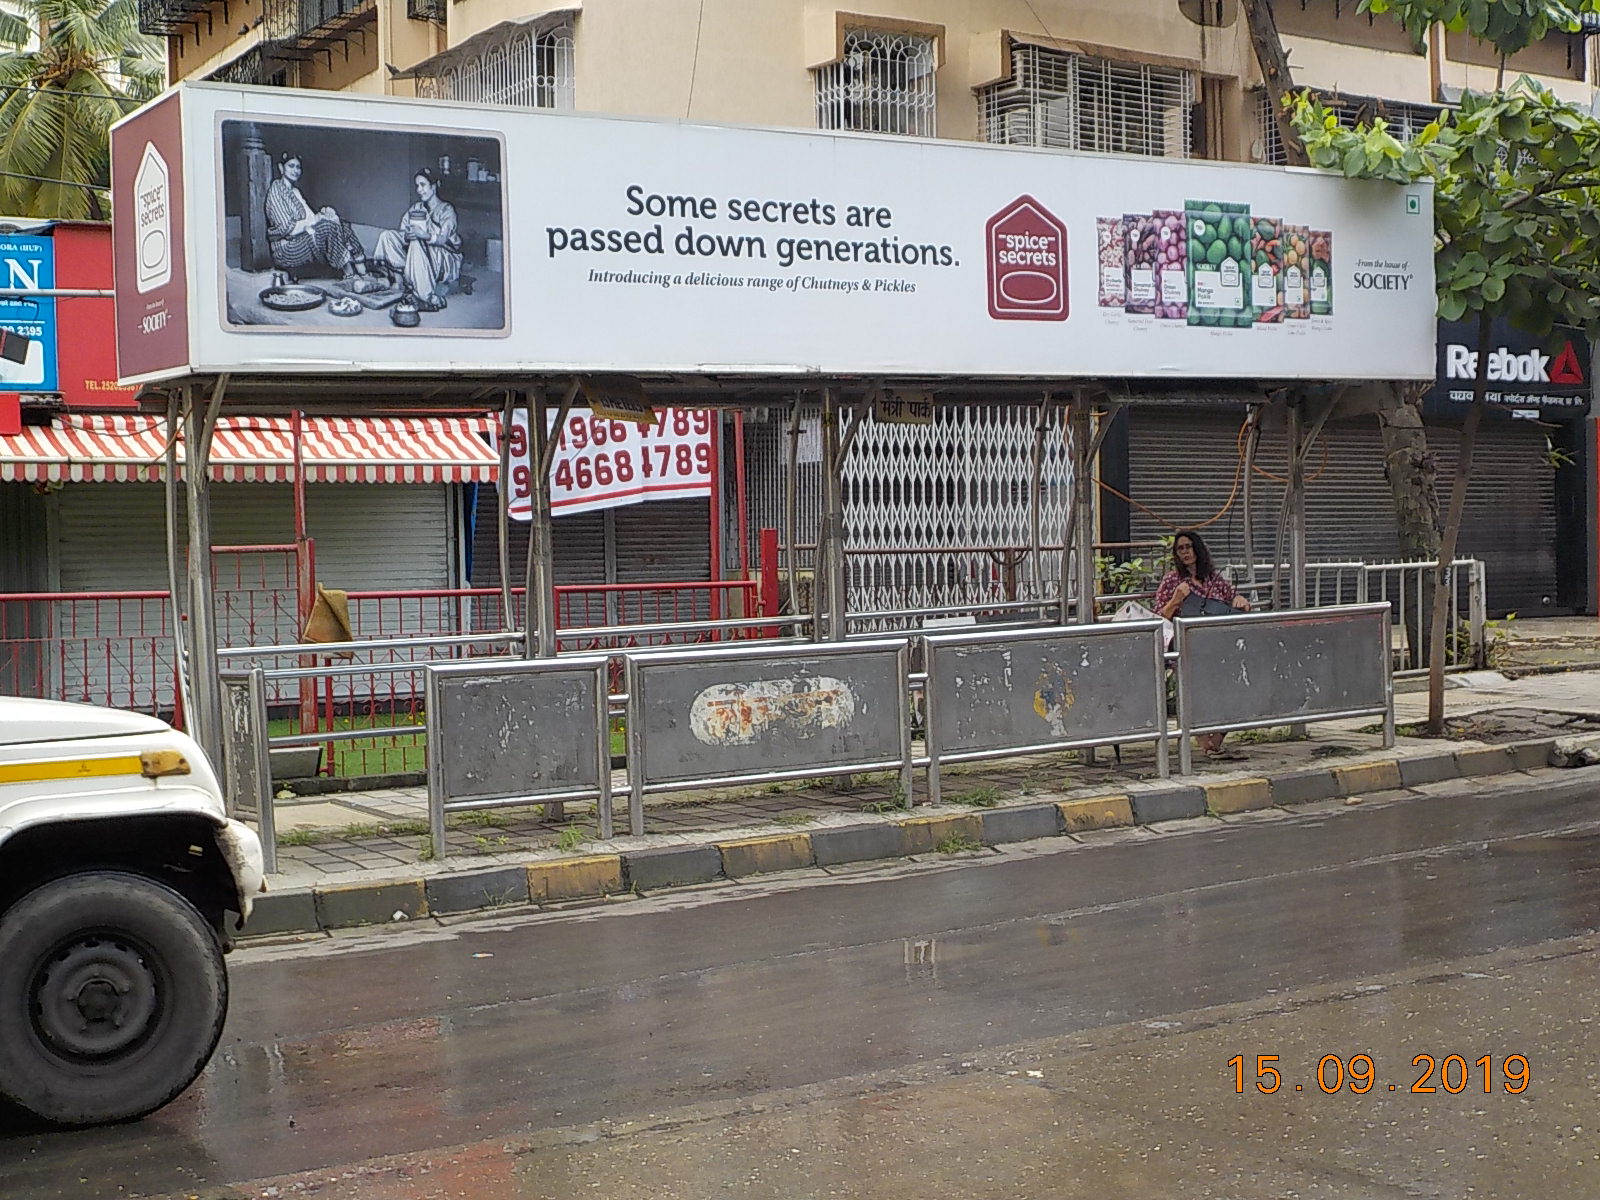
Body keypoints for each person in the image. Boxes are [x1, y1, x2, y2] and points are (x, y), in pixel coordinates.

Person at [1154, 529, 1251, 760]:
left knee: (1232, 690)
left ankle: (1216, 741)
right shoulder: (1172, 581)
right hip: (1189, 648)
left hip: (1218, 647)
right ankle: (1204, 742)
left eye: (1188, 547)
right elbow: (1159, 617)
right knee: (1194, 695)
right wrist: (1176, 600)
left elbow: (1233, 601)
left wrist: (1240, 601)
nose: (1185, 552)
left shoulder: (1214, 580)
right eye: (1180, 549)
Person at [264, 153, 371, 283]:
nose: (295, 170)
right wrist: (319, 219)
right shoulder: (276, 190)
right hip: (286, 248)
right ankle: (349, 276)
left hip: (302, 239)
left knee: (341, 224)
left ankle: (363, 273)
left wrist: (324, 214)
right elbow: (289, 229)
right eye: (291, 166)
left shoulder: (295, 191)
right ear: (281, 168)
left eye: (298, 167)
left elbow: (311, 218)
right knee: (328, 227)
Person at [372, 168, 462, 312]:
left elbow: (443, 239)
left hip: (444, 257)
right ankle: (401, 281)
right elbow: (403, 231)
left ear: (434, 186)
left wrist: (423, 235)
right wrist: (407, 236)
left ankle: (425, 296)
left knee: (417, 242)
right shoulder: (416, 208)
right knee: (387, 236)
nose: (419, 190)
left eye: (423, 185)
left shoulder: (446, 210)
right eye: (417, 186)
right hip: (418, 254)